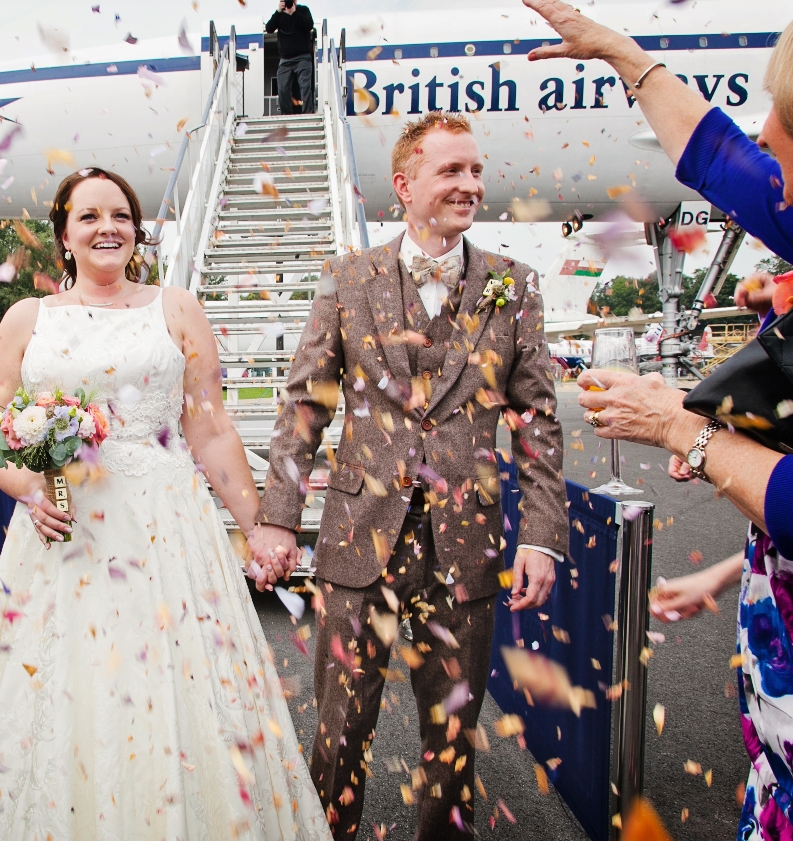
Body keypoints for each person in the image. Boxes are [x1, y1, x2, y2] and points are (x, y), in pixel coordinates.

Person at [526, 0, 793, 836]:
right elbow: (717, 158)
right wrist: (621, 55)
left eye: (774, 107)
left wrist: (686, 427)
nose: (759, 127)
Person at [0, 168, 330, 840]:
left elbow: (210, 428)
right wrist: (31, 488)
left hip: (165, 533)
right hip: (63, 537)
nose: (105, 227)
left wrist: (259, 524)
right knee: (67, 691)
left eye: (118, 214)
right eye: (88, 216)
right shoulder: (26, 319)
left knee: (178, 691)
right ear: (64, 234)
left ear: (137, 229)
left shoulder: (175, 308)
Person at [251, 111, 570, 839]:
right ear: (405, 184)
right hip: (359, 543)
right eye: (451, 171)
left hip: (468, 550)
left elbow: (537, 418)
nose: (470, 184)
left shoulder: (512, 285)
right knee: (339, 730)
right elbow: (306, 405)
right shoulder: (348, 278)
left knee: (454, 738)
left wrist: (543, 534)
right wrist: (276, 513)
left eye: (476, 171)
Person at [266, 0, 315, 115]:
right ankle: (286, 114)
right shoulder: (279, 14)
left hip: (302, 57)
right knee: (282, 87)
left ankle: (308, 112)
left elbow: (309, 25)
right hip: (285, 59)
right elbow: (269, 28)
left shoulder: (303, 10)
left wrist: (294, 13)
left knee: (305, 86)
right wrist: (278, 12)